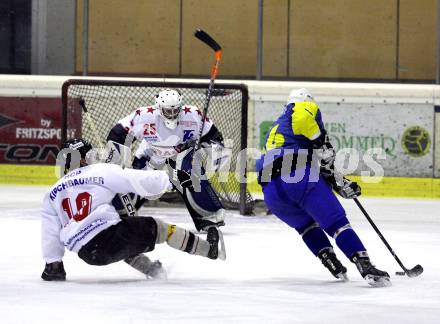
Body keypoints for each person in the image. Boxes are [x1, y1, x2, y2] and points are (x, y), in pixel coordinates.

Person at [256, 88, 390, 287]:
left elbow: (315, 165)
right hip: (298, 177)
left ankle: (331, 262)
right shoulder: (302, 107)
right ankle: (364, 265)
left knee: (306, 226)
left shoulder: (279, 128)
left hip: (271, 191)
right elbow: (303, 121)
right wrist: (320, 139)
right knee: (337, 224)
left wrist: (339, 182)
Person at [41, 138, 225, 282]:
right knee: (159, 229)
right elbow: (137, 180)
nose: (91, 158)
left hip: (88, 254)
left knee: (123, 232)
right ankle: (209, 250)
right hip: (109, 237)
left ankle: (151, 269)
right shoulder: (99, 170)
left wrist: (53, 265)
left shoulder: (52, 192)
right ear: (81, 159)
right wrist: (171, 179)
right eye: (88, 155)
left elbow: (50, 233)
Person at [106, 88, 226, 232]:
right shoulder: (144, 116)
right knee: (133, 181)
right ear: (158, 108)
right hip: (150, 155)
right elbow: (118, 133)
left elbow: (214, 137)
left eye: (176, 110)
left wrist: (214, 151)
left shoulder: (193, 115)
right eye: (168, 111)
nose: (172, 115)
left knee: (192, 175)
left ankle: (208, 216)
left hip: (180, 155)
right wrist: (118, 158)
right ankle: (120, 213)